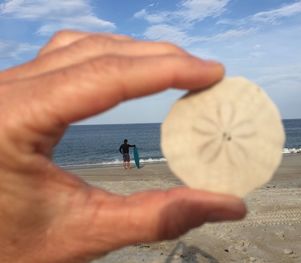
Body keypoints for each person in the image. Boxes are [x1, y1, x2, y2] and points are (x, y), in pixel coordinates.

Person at [0, 30, 246, 263]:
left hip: (127, 154)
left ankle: (128, 167)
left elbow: (124, 147)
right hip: (127, 154)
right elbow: (124, 148)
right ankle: (128, 167)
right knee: (128, 160)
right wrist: (127, 151)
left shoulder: (126, 144)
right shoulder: (126, 144)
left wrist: (127, 150)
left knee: (128, 160)